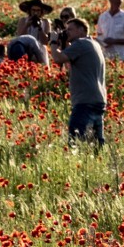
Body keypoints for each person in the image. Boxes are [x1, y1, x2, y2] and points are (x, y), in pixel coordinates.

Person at [48, 18, 106, 149]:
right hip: (97, 100)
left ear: (82, 30)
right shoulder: (92, 43)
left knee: (75, 143)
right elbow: (70, 62)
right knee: (96, 147)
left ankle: (79, 166)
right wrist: (63, 43)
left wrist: (52, 42)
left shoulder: (80, 44)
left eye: (70, 29)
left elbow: (58, 58)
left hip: (85, 102)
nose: (66, 32)